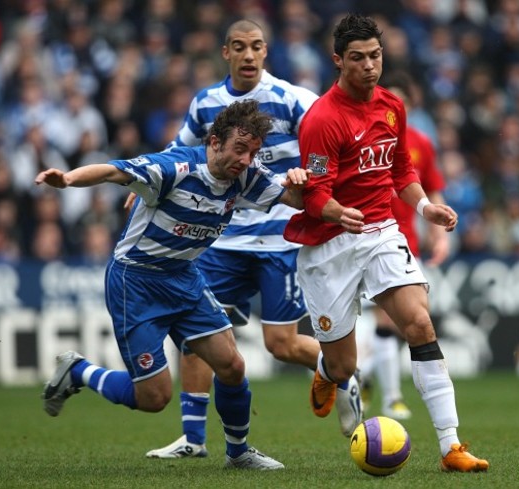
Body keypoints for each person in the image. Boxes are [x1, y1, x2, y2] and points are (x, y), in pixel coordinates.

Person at [37, 100, 311, 470]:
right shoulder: (174, 168)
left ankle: (239, 452)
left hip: (183, 277)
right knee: (154, 397)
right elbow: (112, 171)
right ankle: (78, 371)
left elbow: (294, 199)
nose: (247, 160)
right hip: (135, 282)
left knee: (231, 365)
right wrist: (68, 179)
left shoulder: (243, 175)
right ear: (214, 142)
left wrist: (301, 178)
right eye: (239, 150)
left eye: (253, 153)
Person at [145, 19, 362, 460]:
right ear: (225, 52)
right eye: (239, 47)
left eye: (256, 46)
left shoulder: (293, 98)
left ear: (266, 52)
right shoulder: (206, 103)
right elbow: (177, 149)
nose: (248, 55)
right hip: (221, 238)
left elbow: (333, 140)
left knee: (279, 345)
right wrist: (142, 185)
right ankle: (193, 440)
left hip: (278, 238)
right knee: (196, 337)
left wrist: (310, 172)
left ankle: (340, 374)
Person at [283, 14, 489, 472]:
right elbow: (313, 193)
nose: (369, 67)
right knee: (344, 364)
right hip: (329, 245)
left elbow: (401, 172)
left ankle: (451, 447)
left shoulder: (393, 106)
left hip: (379, 232)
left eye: (375, 56)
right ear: (338, 61)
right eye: (358, 59)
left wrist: (424, 208)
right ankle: (326, 372)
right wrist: (338, 211)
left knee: (418, 323)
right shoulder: (322, 119)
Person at [358, 72, 450, 421]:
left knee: (401, 321)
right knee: (393, 322)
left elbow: (432, 186)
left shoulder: (421, 144)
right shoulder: (364, 136)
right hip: (364, 234)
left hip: (403, 237)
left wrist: (438, 233)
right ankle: (391, 397)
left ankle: (371, 379)